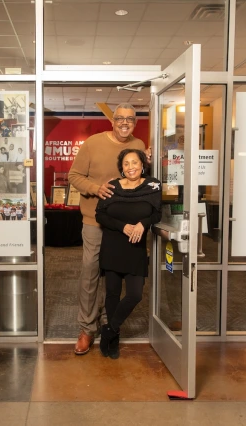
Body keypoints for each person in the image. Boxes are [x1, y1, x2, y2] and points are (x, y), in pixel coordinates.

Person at [68, 103, 147, 355]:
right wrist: (96, 188)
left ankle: (109, 324)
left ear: (135, 122)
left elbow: (141, 182)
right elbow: (74, 176)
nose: (125, 123)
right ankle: (86, 328)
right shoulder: (92, 143)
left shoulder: (140, 146)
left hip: (124, 226)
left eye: (130, 119)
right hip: (95, 221)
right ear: (112, 121)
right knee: (90, 272)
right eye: (120, 118)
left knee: (114, 276)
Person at [95, 149, 161, 359]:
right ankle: (114, 340)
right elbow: (100, 214)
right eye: (126, 163)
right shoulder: (113, 186)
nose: (131, 166)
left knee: (135, 294)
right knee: (112, 295)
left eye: (135, 162)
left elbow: (158, 212)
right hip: (113, 246)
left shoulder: (153, 185)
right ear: (121, 168)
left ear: (143, 164)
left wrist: (144, 223)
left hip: (135, 248)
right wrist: (123, 227)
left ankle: (109, 330)